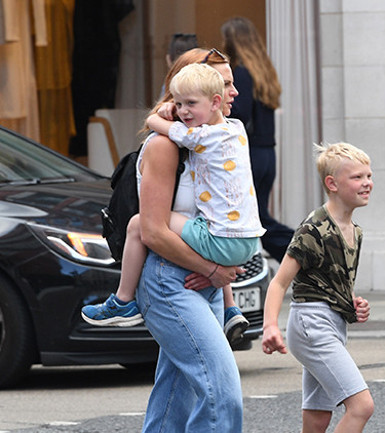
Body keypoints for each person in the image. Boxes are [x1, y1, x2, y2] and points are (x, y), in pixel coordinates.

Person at [82, 59, 258, 348]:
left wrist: (160, 114)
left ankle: (123, 300)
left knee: (139, 224)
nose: (234, 92)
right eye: (179, 103)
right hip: (247, 239)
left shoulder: (199, 136)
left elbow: (153, 230)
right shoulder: (235, 129)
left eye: (190, 102)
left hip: (213, 248)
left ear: (212, 102)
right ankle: (231, 309)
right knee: (180, 371)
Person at [138, 48, 244, 431]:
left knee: (173, 402)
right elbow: (151, 230)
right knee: (222, 394)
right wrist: (213, 269)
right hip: (171, 281)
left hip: (205, 284)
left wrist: (221, 275)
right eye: (225, 83)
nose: (233, 92)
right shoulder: (164, 145)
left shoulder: (217, 140)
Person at [261, 142, 375, 433]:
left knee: (318, 415)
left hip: (333, 323)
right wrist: (270, 326)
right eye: (357, 177)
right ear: (332, 184)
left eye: (369, 176)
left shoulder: (355, 231)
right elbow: (279, 282)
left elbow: (336, 280)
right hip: (312, 324)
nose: (367, 183)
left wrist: (353, 303)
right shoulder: (313, 229)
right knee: (361, 406)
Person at [221, 16, 295, 262]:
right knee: (259, 216)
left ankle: (304, 252)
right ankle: (303, 255)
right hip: (267, 154)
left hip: (251, 152)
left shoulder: (241, 73)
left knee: (256, 219)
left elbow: (239, 112)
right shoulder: (264, 72)